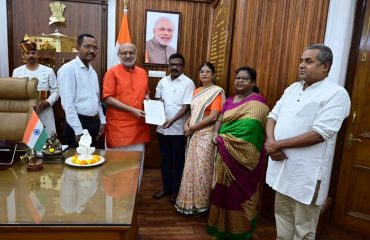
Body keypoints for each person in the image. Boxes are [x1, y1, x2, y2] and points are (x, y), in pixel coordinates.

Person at [265, 44, 351, 239]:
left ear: (325, 66)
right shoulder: (292, 88)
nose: (301, 65)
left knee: (303, 229)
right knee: (282, 217)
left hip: (306, 175)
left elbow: (320, 133)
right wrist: (271, 142)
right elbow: (272, 116)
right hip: (282, 168)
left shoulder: (336, 94)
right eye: (301, 60)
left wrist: (278, 144)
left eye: (308, 61)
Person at [207, 66, 269, 240]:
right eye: (238, 78)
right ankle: (220, 228)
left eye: (244, 78)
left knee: (236, 195)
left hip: (244, 161)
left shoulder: (258, 103)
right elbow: (219, 119)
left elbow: (252, 130)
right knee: (222, 192)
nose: (240, 81)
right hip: (224, 156)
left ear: (253, 82)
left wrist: (223, 140)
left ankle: (239, 230)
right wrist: (216, 133)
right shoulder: (229, 100)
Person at [175, 62, 225, 215]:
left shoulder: (216, 92)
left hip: (206, 136)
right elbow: (193, 112)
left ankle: (201, 204)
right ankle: (188, 202)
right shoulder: (197, 91)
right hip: (194, 135)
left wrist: (193, 128)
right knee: (190, 169)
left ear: (213, 75)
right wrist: (187, 125)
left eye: (208, 71)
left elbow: (214, 116)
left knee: (202, 170)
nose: (204, 74)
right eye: (202, 71)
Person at [102, 42, 150, 188]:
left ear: (136, 54)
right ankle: (118, 196)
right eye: (124, 53)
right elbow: (108, 98)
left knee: (136, 166)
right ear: (118, 55)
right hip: (118, 129)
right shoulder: (112, 72)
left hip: (138, 128)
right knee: (117, 166)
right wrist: (131, 110)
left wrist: (147, 97)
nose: (128, 56)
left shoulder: (142, 72)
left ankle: (134, 196)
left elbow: (146, 91)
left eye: (131, 53)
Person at [153, 53, 195, 204]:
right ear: (168, 65)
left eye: (178, 65)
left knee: (177, 161)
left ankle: (176, 190)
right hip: (162, 128)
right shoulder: (162, 81)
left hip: (177, 129)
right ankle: (166, 188)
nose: (175, 67)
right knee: (164, 160)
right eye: (172, 64)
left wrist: (172, 120)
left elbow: (186, 106)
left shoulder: (188, 83)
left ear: (183, 67)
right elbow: (158, 101)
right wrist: (155, 113)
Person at [57, 33, 106, 148]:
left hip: (94, 123)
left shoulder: (92, 71)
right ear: (78, 48)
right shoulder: (68, 69)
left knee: (92, 161)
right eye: (87, 46)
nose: (91, 50)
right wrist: (78, 130)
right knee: (77, 162)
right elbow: (67, 103)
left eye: (95, 48)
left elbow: (96, 99)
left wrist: (102, 121)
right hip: (77, 124)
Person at [12, 39, 59, 137]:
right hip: (25, 112)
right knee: (27, 141)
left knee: (47, 142)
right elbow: (14, 93)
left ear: (37, 54)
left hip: (45, 110)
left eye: (33, 53)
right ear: (23, 55)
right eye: (28, 53)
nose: (31, 56)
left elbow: (56, 90)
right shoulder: (17, 72)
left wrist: (48, 102)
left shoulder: (48, 71)